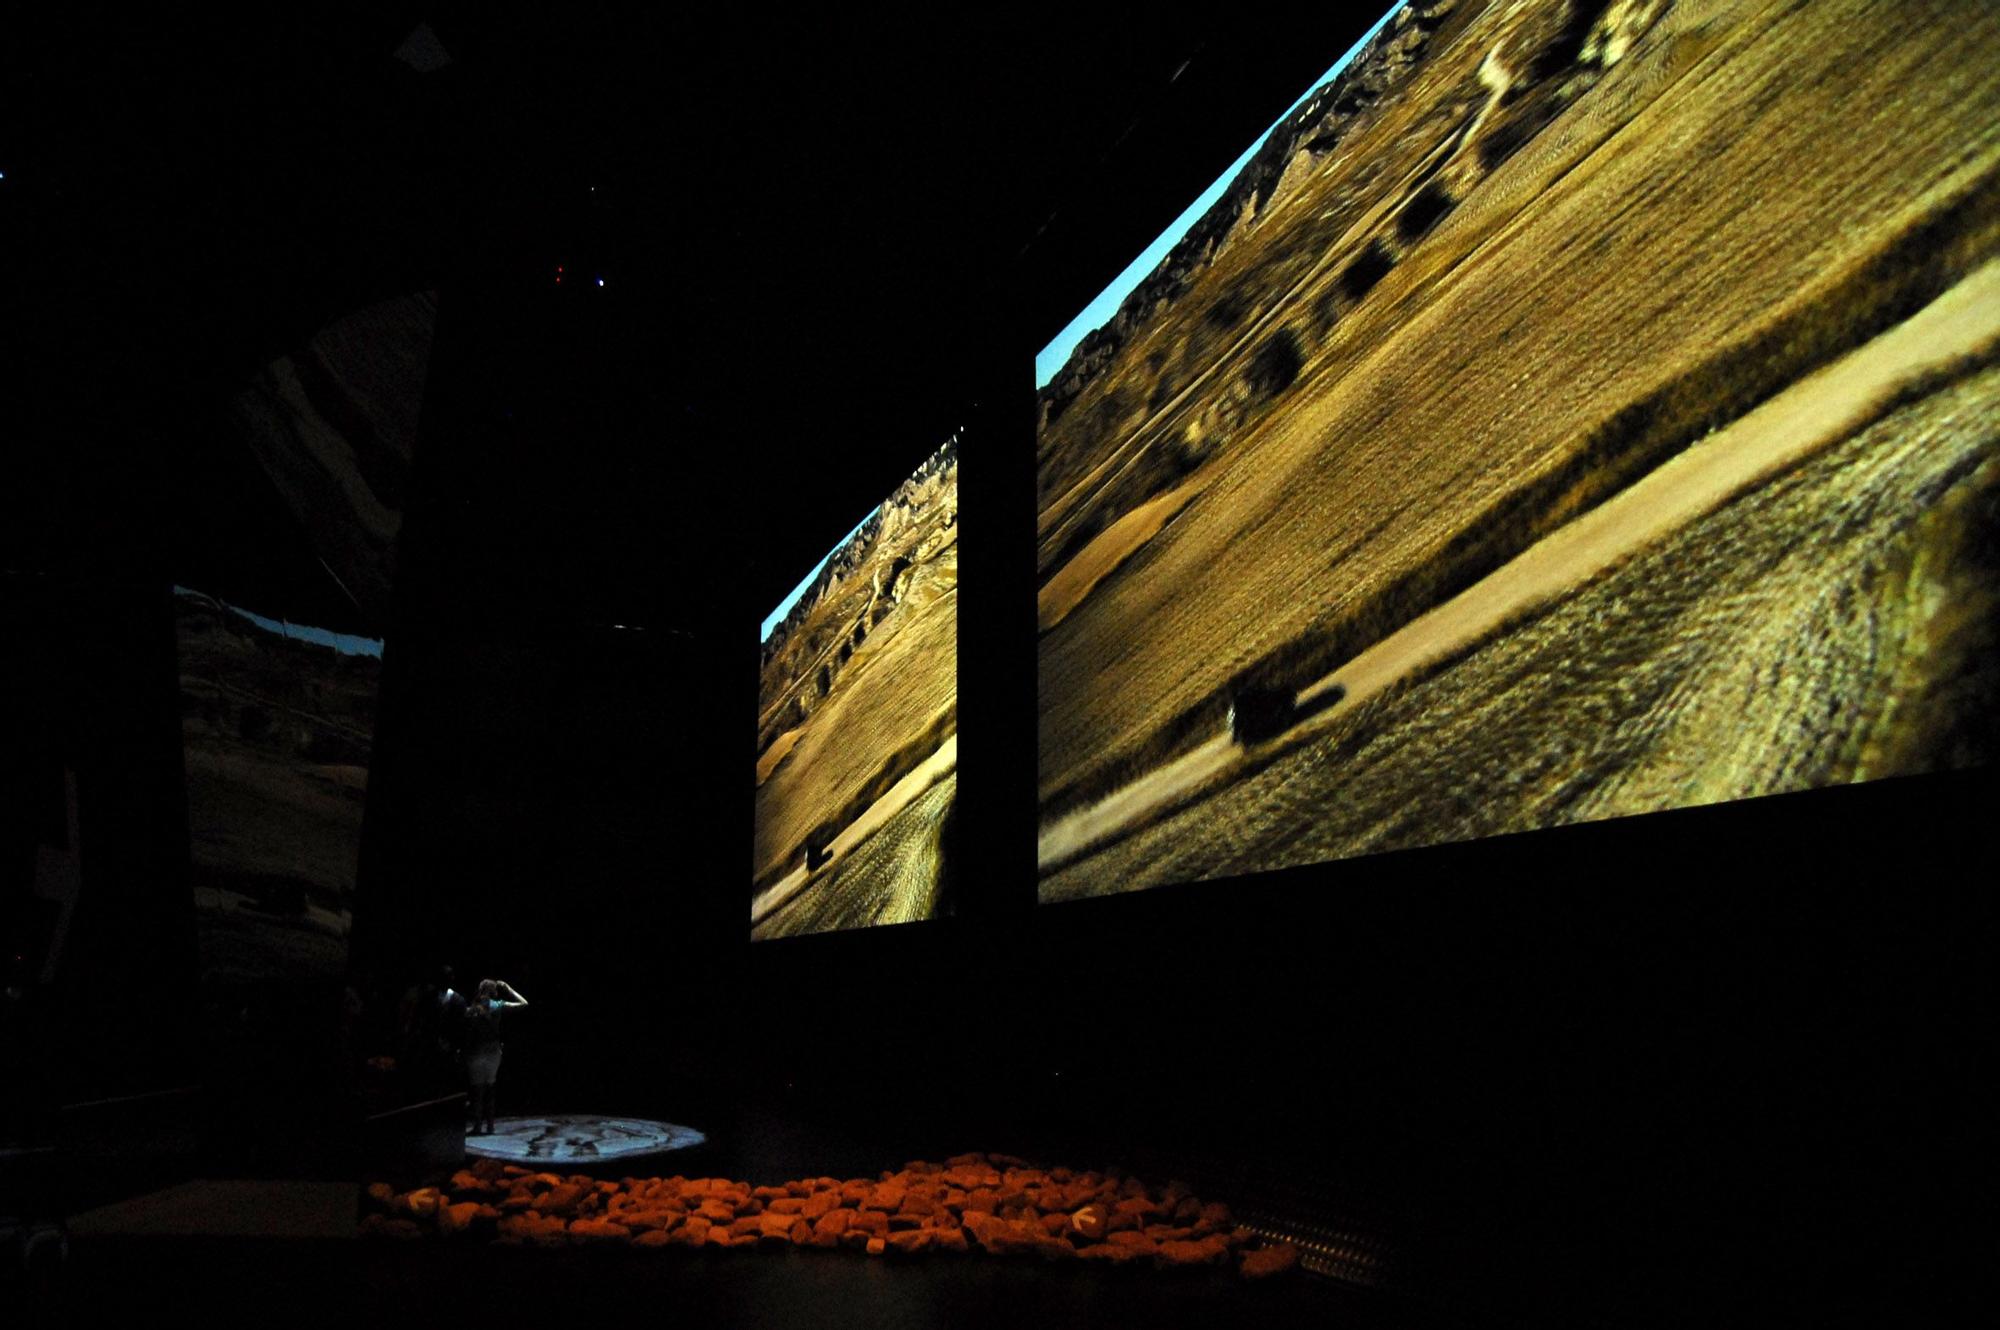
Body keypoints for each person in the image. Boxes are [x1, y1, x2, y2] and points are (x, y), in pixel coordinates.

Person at [464, 978, 527, 1136]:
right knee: (490, 1089)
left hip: (476, 1053)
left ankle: (478, 1126)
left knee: (477, 1092)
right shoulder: (498, 1005)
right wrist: (509, 988)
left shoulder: (471, 1009)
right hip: (493, 1052)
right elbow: (524, 1003)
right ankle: (490, 1126)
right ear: (494, 991)